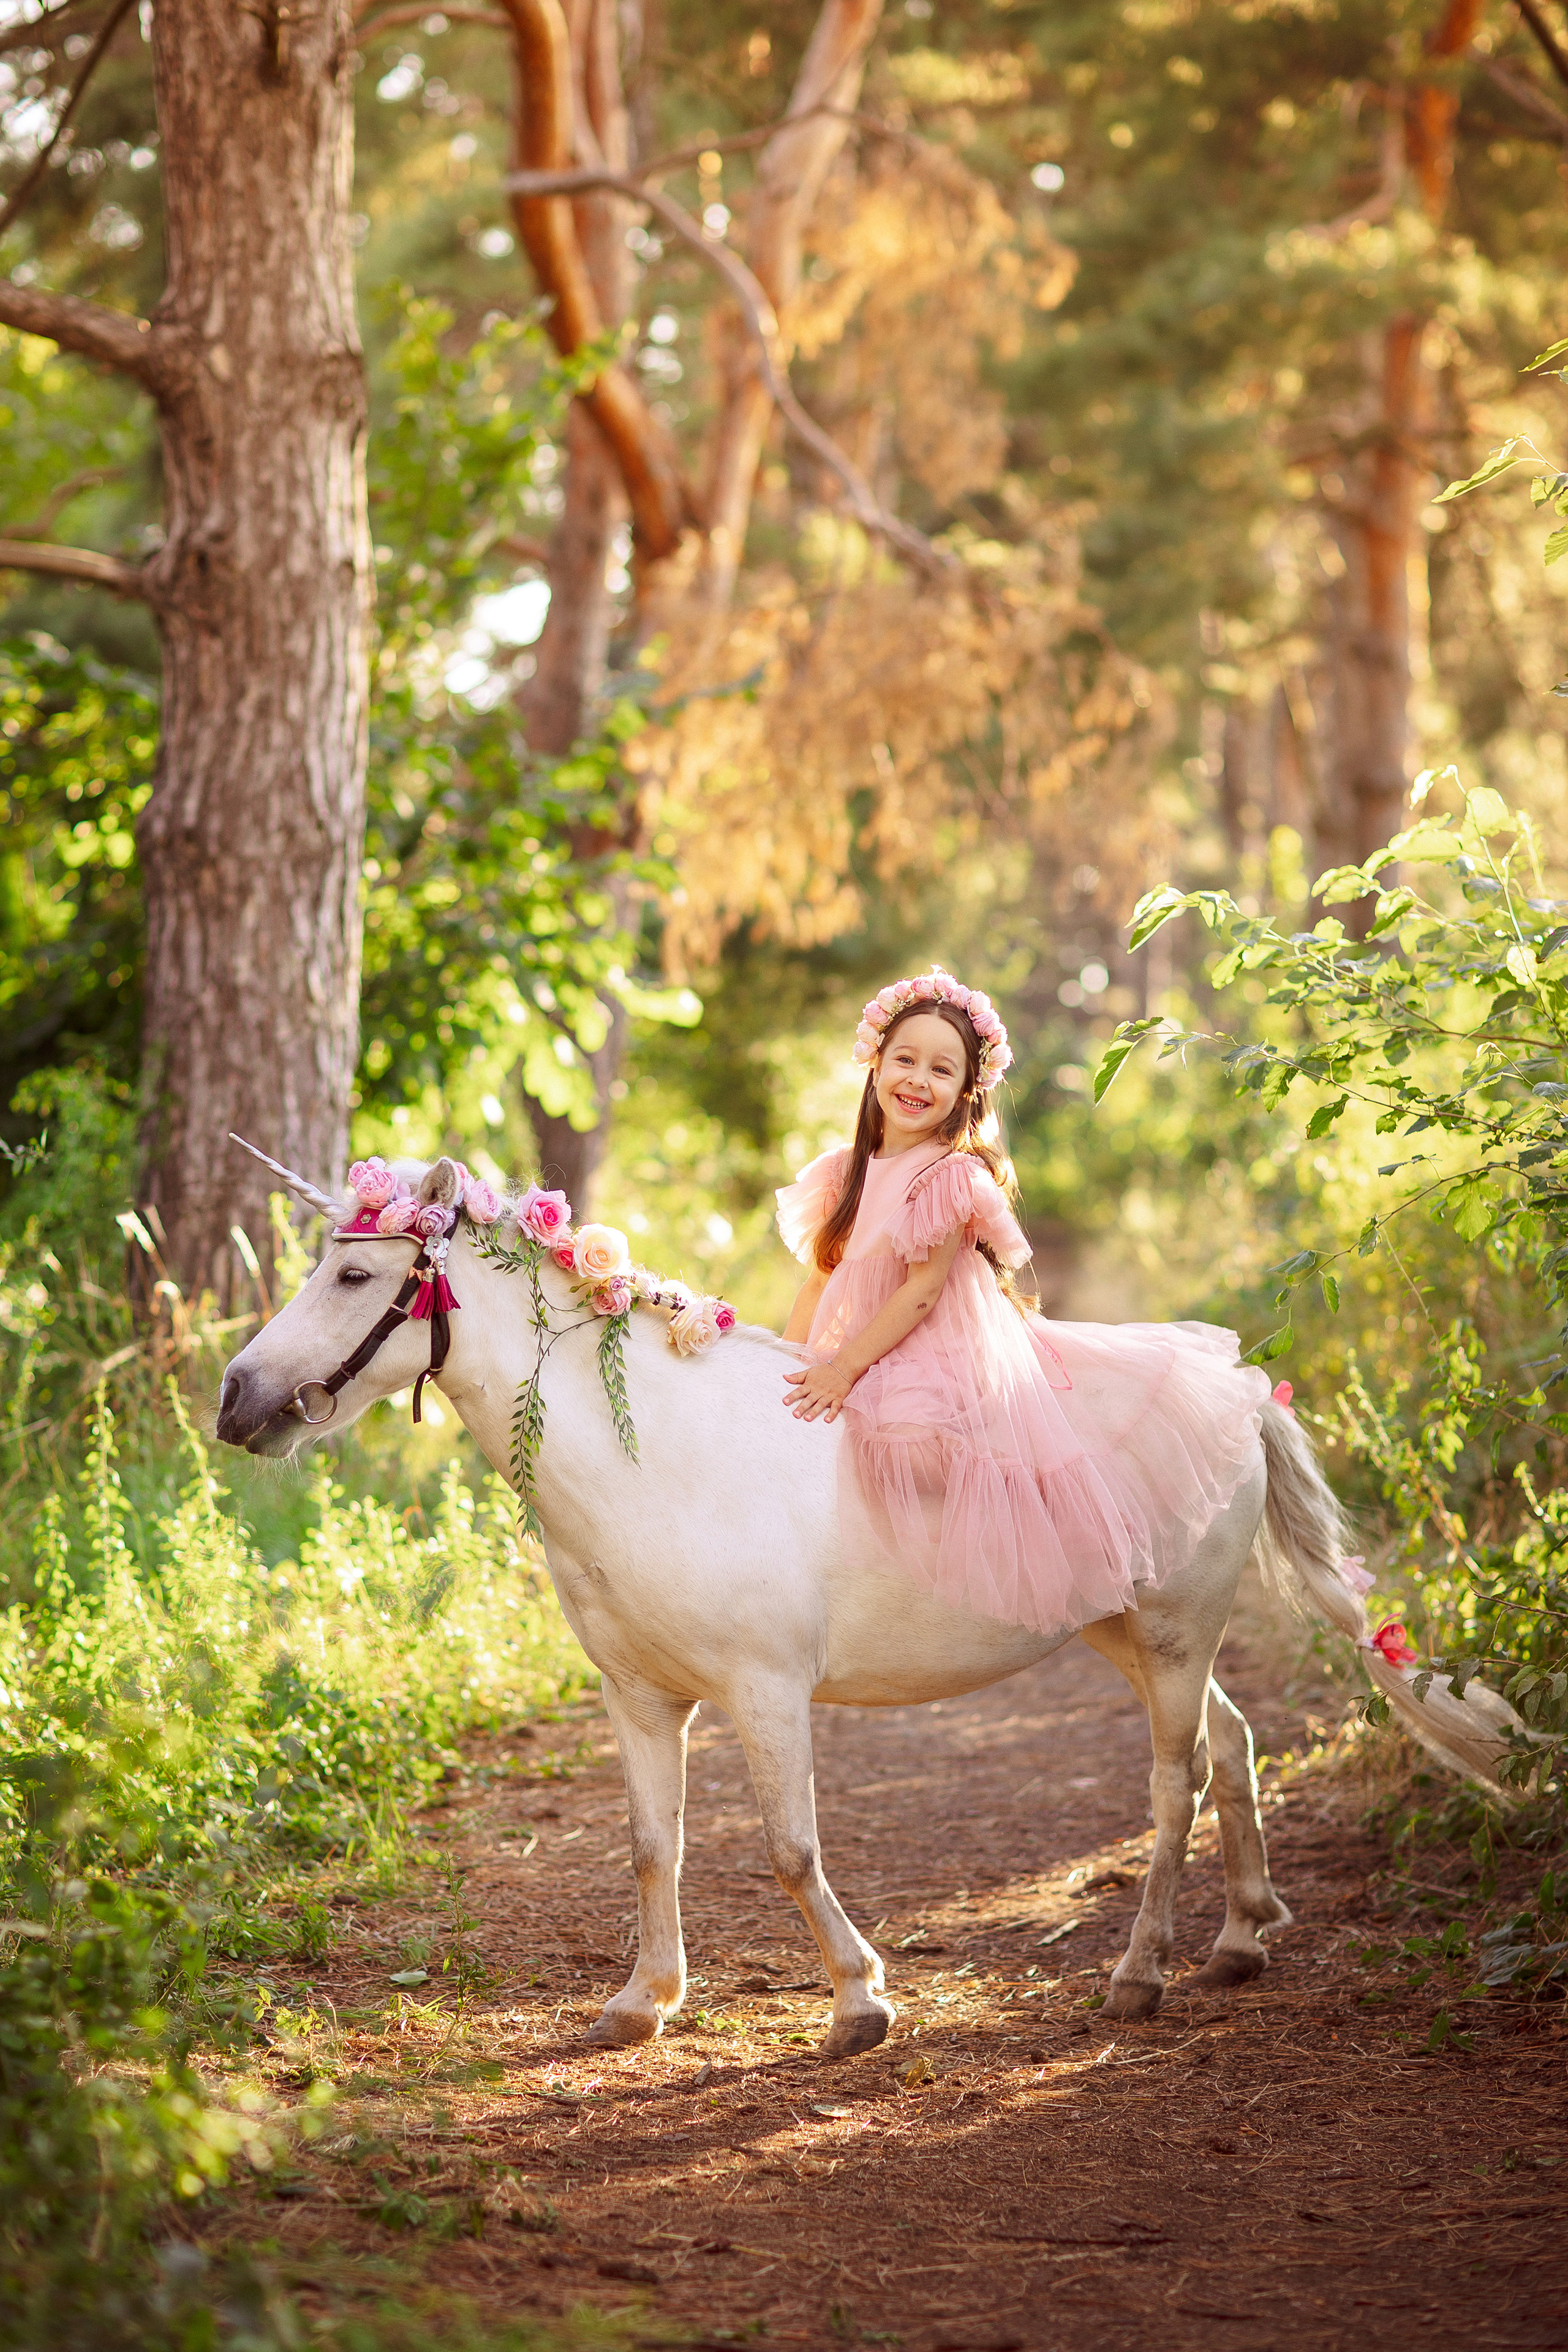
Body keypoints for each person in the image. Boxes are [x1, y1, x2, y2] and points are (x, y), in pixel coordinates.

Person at [776, 968, 1272, 1638]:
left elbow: (922, 1295)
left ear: (964, 1092)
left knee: (907, 1439)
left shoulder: (948, 1176)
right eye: (905, 1059)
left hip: (934, 1346)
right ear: (874, 1063)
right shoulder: (844, 1172)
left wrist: (844, 1370)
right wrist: (786, 1363)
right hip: (864, 1338)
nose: (918, 1081)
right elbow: (819, 1279)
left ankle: (952, 1596)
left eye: (941, 1070)